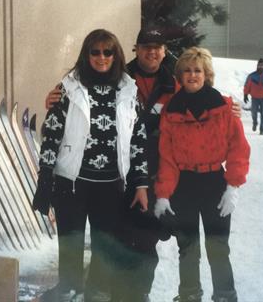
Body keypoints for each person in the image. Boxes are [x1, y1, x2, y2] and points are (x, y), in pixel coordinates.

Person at [44, 26, 242, 302]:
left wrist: (228, 106)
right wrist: (55, 98)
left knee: (145, 239)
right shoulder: (120, 76)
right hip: (118, 175)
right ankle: (106, 292)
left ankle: (137, 294)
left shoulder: (174, 83)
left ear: (164, 51)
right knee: (114, 237)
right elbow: (82, 94)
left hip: (155, 175)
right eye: (146, 46)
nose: (152, 52)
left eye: (157, 47)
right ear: (136, 49)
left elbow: (200, 97)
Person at [32, 29, 149, 302]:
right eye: (95, 52)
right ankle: (69, 290)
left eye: (108, 52)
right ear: (86, 55)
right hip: (71, 183)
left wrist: (141, 184)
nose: (101, 57)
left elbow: (138, 141)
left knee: (103, 246)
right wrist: (44, 178)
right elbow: (52, 136)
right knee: (70, 243)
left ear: (116, 55)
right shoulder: (68, 89)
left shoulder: (129, 91)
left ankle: (96, 293)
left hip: (110, 186)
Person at [154, 47, 250, 302]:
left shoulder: (224, 107)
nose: (192, 75)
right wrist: (163, 194)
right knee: (188, 248)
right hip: (184, 186)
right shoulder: (171, 111)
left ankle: (225, 295)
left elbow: (239, 147)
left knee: (218, 246)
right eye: (187, 70)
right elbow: (167, 157)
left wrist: (233, 186)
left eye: (198, 70)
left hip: (213, 183)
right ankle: (189, 295)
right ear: (180, 76)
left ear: (207, 74)